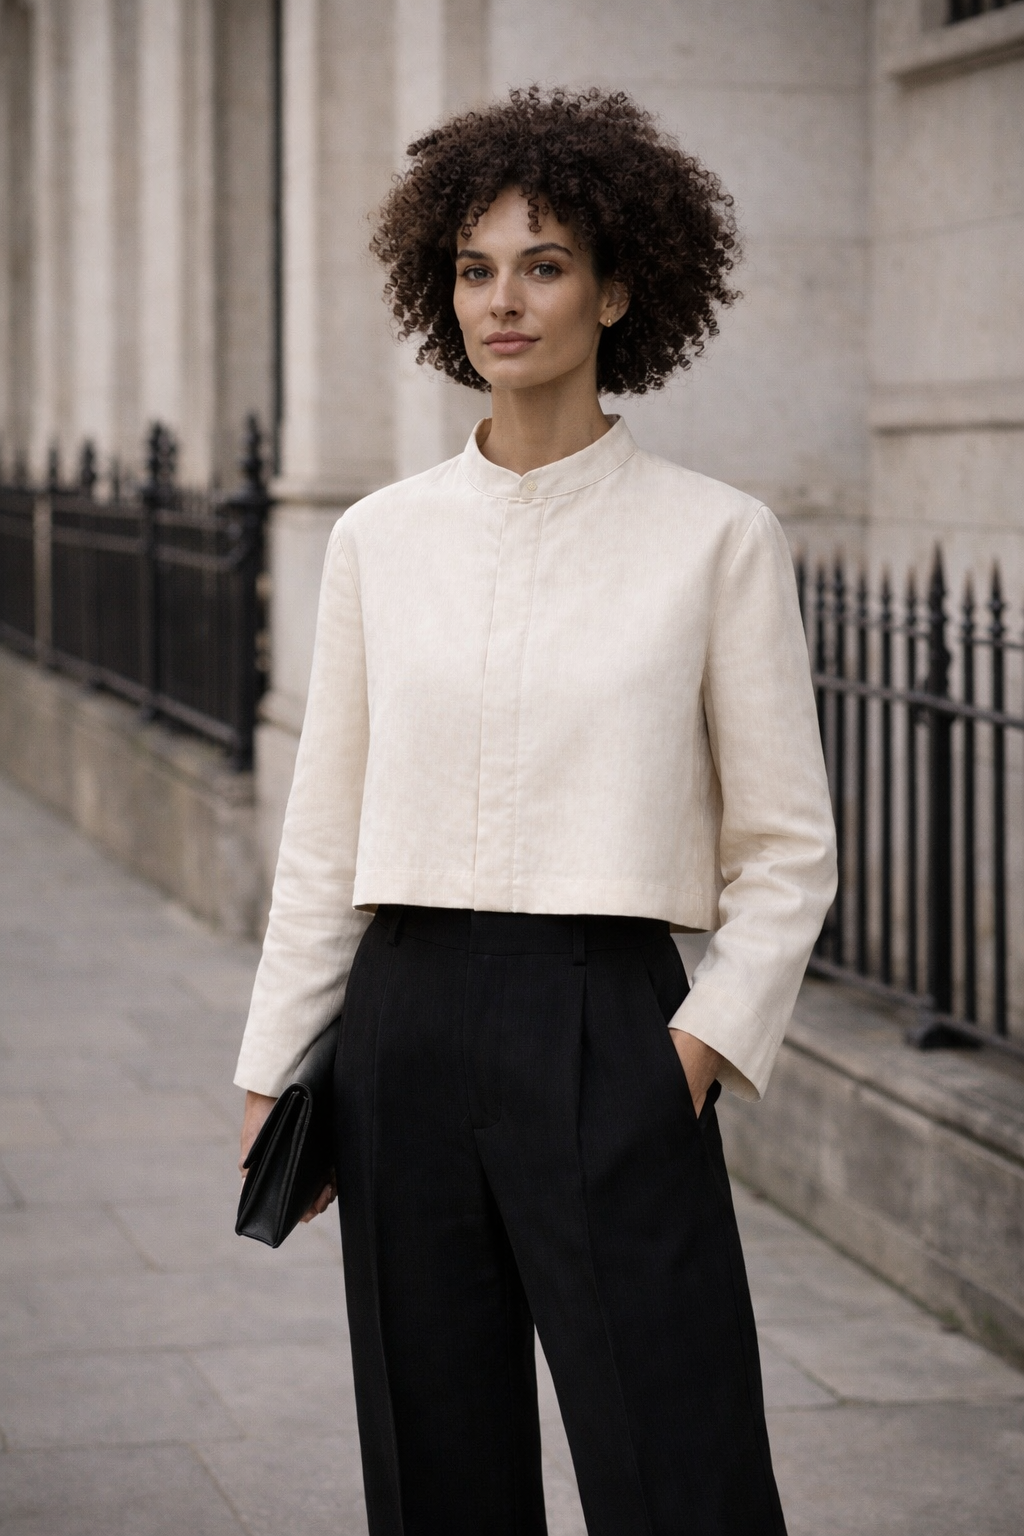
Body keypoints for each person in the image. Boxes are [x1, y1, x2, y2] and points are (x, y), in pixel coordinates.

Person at [236, 85, 837, 1536]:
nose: (504, 301)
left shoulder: (716, 540)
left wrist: (688, 1055)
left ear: (620, 286)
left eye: (546, 263)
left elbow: (787, 851)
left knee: (677, 1462)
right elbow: (327, 829)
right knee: (436, 1469)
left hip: (608, 1026)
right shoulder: (380, 541)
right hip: (403, 1031)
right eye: (474, 268)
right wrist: (276, 1064)